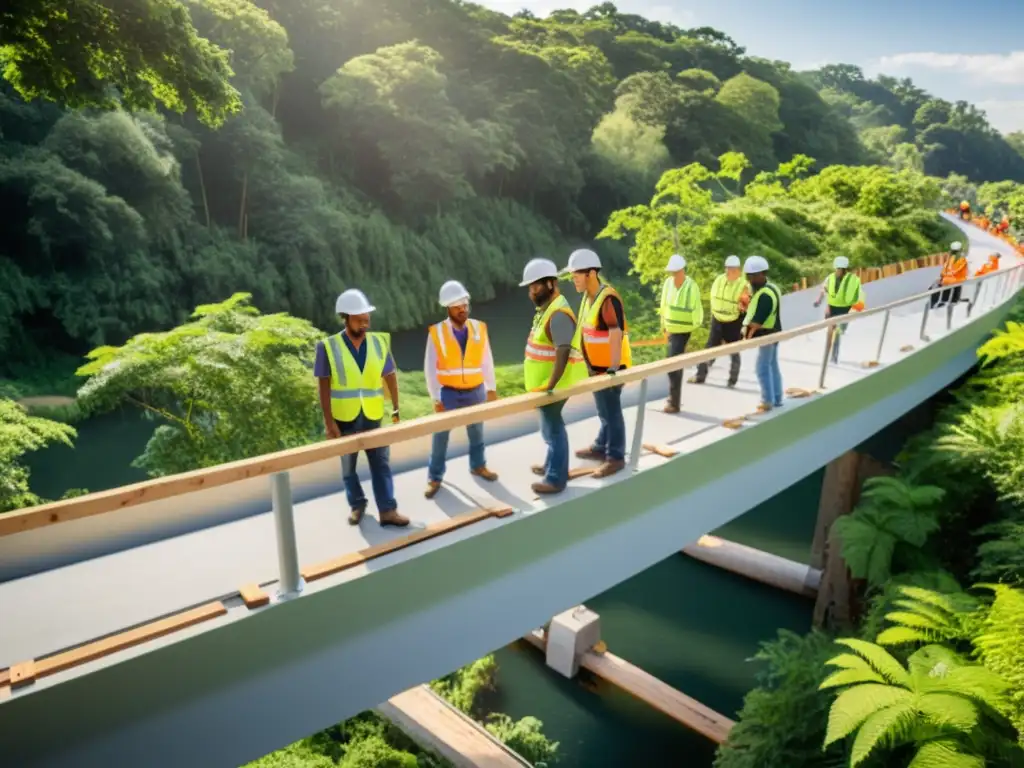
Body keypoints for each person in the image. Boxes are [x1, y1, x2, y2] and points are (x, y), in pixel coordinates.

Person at [315, 289, 408, 527]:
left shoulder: (378, 343)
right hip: (344, 418)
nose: (365, 323)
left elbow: (390, 375)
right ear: (345, 318)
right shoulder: (327, 347)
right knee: (348, 468)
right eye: (359, 319)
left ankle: (388, 510)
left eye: (367, 318)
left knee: (381, 463)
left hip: (373, 415)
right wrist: (329, 422)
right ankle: (357, 504)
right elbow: (323, 386)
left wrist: (396, 408)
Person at [423, 280, 499, 499]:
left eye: (465, 305)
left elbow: (487, 360)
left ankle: (478, 466)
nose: (463, 310)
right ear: (448, 308)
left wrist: (491, 388)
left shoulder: (478, 328)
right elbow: (430, 366)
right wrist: (435, 396)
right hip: (448, 393)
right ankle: (435, 477)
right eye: (458, 307)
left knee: (477, 433)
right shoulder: (436, 333)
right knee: (441, 437)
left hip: (476, 389)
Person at [522, 258, 587, 494]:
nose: (531, 292)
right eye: (530, 287)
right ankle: (552, 465)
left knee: (554, 428)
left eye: (536, 286)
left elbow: (562, 350)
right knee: (550, 427)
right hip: (545, 384)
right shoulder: (547, 309)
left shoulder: (558, 313)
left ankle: (556, 478)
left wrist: (551, 384)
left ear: (550, 284)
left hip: (554, 384)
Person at [565, 248, 632, 479]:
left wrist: (613, 369)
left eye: (576, 275)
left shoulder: (607, 299)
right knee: (603, 409)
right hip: (596, 368)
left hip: (610, 369)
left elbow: (616, 331)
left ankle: (615, 457)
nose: (573, 279)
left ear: (591, 273)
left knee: (612, 412)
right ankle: (600, 446)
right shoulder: (588, 297)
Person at [691, 255, 749, 390]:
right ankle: (700, 375)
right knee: (710, 349)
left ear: (738, 270)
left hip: (733, 322)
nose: (730, 272)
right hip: (717, 319)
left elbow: (745, 303)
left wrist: (743, 308)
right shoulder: (719, 280)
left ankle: (732, 380)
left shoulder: (743, 285)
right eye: (728, 269)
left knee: (734, 351)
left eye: (733, 270)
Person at [657, 254, 703, 413]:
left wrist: (694, 329)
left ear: (682, 271)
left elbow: (696, 309)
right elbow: (664, 305)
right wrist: (663, 325)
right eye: (672, 272)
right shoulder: (668, 284)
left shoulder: (691, 286)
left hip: (683, 331)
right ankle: (673, 399)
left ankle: (674, 402)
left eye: (676, 272)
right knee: (671, 364)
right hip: (671, 330)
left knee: (673, 365)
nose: (673, 275)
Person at [742, 256, 784, 413]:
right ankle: (777, 398)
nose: (750, 280)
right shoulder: (771, 288)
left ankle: (767, 401)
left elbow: (757, 322)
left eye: (752, 276)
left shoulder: (765, 295)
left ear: (761, 274)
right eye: (748, 276)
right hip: (775, 332)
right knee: (772, 365)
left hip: (768, 335)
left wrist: (746, 329)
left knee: (762, 368)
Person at [813, 256, 863, 364]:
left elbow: (858, 294)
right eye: (837, 269)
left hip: (845, 311)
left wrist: (858, 309)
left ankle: (833, 355)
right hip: (832, 309)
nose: (838, 271)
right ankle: (829, 356)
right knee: (831, 332)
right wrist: (819, 301)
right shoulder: (830, 278)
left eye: (840, 269)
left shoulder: (852, 279)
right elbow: (823, 290)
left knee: (838, 333)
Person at [931, 241, 968, 308]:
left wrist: (942, 278)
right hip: (955, 282)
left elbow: (944, 271)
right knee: (952, 295)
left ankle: (940, 302)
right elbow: (957, 271)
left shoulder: (949, 259)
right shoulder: (961, 260)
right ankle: (953, 301)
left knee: (938, 288)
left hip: (948, 282)